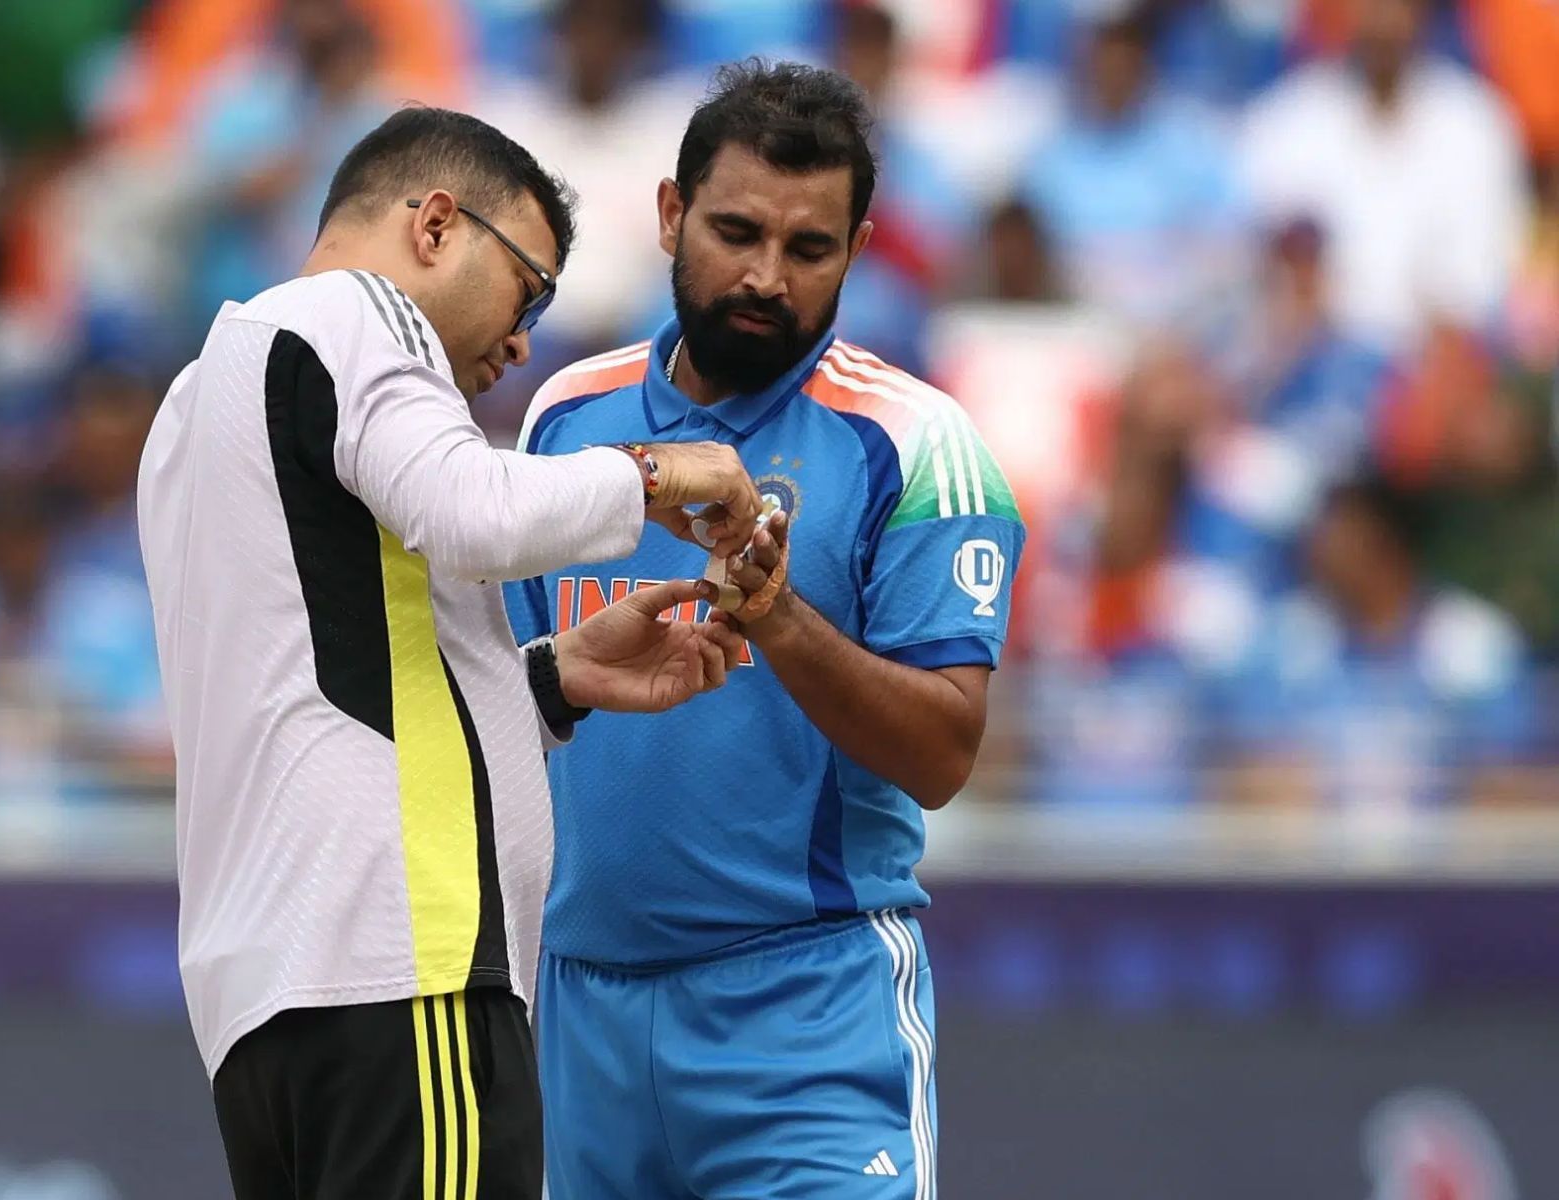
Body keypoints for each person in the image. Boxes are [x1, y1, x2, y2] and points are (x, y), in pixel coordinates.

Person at [135, 105, 764, 1200]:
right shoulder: (357, 312)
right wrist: (659, 476)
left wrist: (549, 682)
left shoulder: (195, 401)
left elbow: (318, 681)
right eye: (527, 291)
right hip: (404, 967)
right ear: (434, 225)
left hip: (266, 1008)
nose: (521, 344)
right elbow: (468, 509)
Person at [507, 62, 1026, 1197]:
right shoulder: (564, 417)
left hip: (805, 1018)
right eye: (735, 231)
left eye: (810, 249)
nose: (763, 277)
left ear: (859, 249)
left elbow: (942, 754)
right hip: (574, 1015)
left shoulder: (917, 445)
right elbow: (509, 698)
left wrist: (776, 615)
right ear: (667, 214)